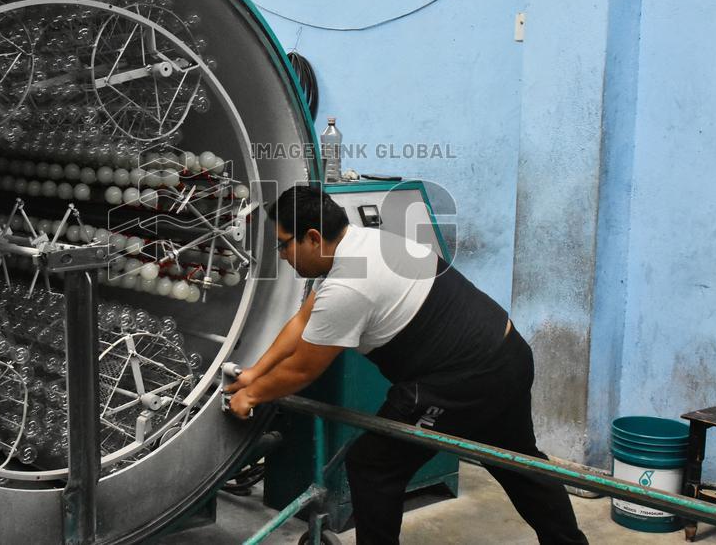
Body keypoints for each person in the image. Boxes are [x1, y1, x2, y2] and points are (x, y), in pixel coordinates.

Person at [225, 185, 587, 544]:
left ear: (314, 237)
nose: (283, 254)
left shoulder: (349, 285)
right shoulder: (365, 243)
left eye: (284, 243)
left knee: (374, 465)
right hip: (507, 353)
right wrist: (256, 373)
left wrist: (251, 396)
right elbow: (304, 322)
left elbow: (303, 369)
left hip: (461, 380)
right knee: (520, 462)